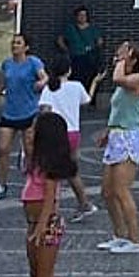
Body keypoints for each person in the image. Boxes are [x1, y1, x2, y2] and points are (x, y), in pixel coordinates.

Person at [21, 112, 77, 277]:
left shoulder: (50, 165)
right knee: (35, 276)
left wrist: (42, 227)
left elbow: (50, 199)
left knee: (45, 276)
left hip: (47, 225)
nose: (30, 132)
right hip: (33, 224)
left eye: (35, 129)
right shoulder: (34, 160)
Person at [97, 41, 139, 254]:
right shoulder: (124, 83)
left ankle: (135, 239)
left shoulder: (137, 79)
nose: (118, 56)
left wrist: (121, 61)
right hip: (116, 135)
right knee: (107, 191)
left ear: (133, 59)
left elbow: (117, 78)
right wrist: (108, 131)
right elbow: (118, 110)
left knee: (121, 189)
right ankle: (119, 234)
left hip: (129, 136)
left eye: (124, 53)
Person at [39, 53, 101, 222]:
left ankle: (54, 209)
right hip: (73, 133)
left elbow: (45, 111)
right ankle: (84, 203)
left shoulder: (50, 88)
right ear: (69, 70)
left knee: (53, 172)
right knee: (71, 171)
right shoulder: (76, 86)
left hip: (56, 133)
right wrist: (95, 82)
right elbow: (87, 100)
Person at [0, 32, 48, 201]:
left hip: (29, 111)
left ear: (26, 47)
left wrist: (41, 83)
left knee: (30, 150)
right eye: (13, 43)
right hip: (9, 112)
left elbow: (44, 77)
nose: (14, 46)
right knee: (2, 149)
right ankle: (0, 185)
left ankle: (33, 184)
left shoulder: (33, 62)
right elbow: (3, 84)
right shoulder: (7, 64)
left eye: (18, 43)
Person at [56, 6, 104, 101]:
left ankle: (89, 99)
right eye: (80, 15)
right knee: (76, 79)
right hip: (75, 58)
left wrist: (94, 49)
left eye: (84, 15)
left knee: (89, 79)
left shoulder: (92, 29)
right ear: (76, 17)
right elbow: (60, 40)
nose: (82, 17)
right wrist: (67, 50)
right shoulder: (70, 28)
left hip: (89, 59)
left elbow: (100, 41)